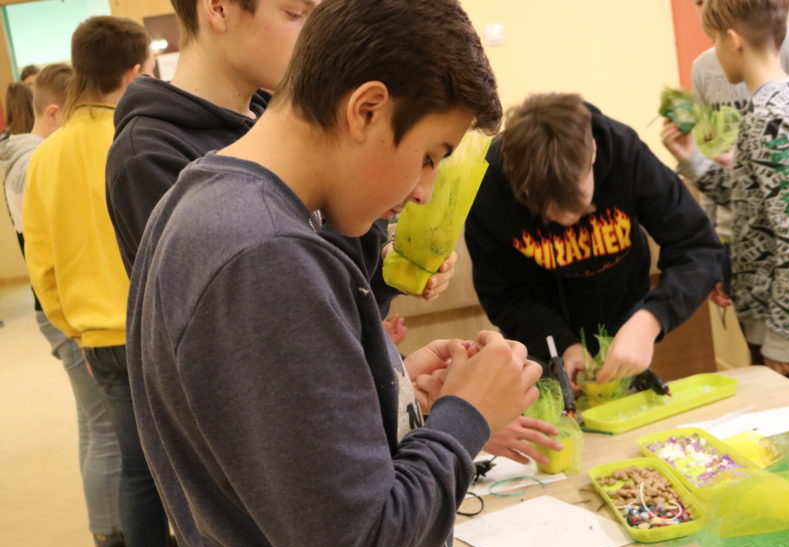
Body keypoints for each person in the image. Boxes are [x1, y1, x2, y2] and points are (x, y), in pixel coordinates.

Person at [127, 0, 540, 547]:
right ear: (367, 110)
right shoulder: (265, 253)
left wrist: (390, 392)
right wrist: (465, 420)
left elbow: (271, 452)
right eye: (428, 157)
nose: (424, 191)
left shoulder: (211, 201)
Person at [106, 0, 558, 463]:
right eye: (295, 13)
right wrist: (462, 419)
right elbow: (283, 412)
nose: (424, 192)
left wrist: (397, 381)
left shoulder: (263, 170)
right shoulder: (244, 231)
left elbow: (316, 356)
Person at [21, 16, 194, 547]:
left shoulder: (46, 157)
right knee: (200, 464)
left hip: (96, 337)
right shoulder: (142, 141)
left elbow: (41, 264)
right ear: (135, 71)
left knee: (136, 473)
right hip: (156, 330)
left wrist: (77, 329)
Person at [666, 0, 789, 396]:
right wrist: (693, 163)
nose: (713, 51)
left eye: (714, 40)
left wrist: (782, 337)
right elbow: (754, 198)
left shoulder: (767, 119)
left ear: (733, 40)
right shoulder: (787, 96)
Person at [465, 92, 722, 387]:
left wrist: (651, 319)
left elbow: (698, 247)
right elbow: (505, 296)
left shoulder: (624, 152)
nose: (566, 219)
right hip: (541, 336)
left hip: (624, 311)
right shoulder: (488, 185)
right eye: (547, 211)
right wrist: (564, 347)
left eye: (578, 203)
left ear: (593, 154)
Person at [0, 63, 134, 547]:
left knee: (93, 425)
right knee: (105, 433)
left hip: (68, 311)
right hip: (72, 316)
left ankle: (123, 529)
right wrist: (74, 325)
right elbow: (49, 252)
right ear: (54, 111)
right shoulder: (35, 161)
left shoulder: (29, 156)